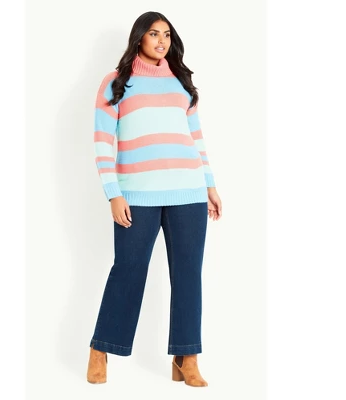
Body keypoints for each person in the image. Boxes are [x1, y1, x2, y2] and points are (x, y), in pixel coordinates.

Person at [87, 11, 222, 387]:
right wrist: (113, 193)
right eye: (153, 33)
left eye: (166, 34)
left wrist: (209, 185)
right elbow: (102, 141)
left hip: (188, 190)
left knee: (188, 275)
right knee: (128, 270)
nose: (161, 40)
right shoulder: (116, 81)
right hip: (137, 193)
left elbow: (195, 137)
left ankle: (187, 357)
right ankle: (100, 349)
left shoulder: (181, 81)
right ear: (139, 38)